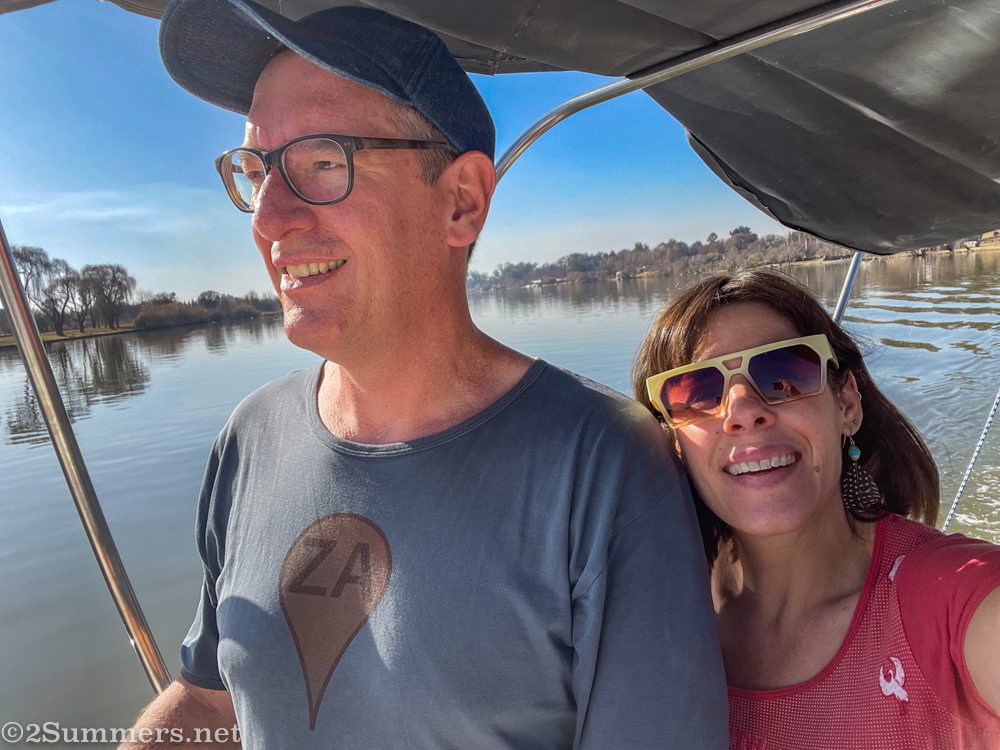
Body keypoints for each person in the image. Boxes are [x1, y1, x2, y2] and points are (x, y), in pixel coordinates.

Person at [120, 0, 729, 748]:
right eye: (256, 170)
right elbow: (212, 701)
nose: (269, 216)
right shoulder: (249, 439)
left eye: (321, 162)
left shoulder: (609, 465)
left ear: (462, 202)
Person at [632, 270, 1000, 749]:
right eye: (698, 393)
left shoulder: (954, 601)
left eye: (783, 374)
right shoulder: (648, 607)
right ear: (675, 443)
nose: (742, 410)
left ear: (847, 402)